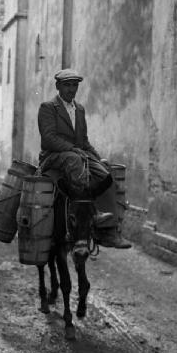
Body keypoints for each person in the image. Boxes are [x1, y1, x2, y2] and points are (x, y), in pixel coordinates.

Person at [38, 69, 131, 249]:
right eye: (67, 85)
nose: (71, 89)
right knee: (74, 159)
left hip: (77, 156)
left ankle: (108, 232)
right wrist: (73, 149)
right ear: (58, 86)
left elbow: (84, 141)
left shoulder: (79, 109)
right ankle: (93, 212)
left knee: (106, 174)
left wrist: (98, 159)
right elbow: (48, 139)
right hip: (53, 157)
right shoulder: (48, 107)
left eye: (74, 85)